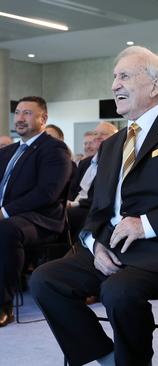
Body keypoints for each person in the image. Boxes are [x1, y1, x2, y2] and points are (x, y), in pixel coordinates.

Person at [29, 45, 158, 365]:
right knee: (44, 280)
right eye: (114, 77)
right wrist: (95, 243)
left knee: (118, 291)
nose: (114, 85)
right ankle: (107, 357)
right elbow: (98, 210)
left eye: (124, 76)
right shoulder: (112, 144)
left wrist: (146, 224)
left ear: (154, 86)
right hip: (111, 246)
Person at [0, 96, 72, 327]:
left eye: (28, 113)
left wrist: (4, 212)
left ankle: (3, 305)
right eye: (18, 113)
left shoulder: (55, 149)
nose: (20, 118)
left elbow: (46, 193)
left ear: (43, 118)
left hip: (42, 220)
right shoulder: (8, 151)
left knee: (5, 230)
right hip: (10, 217)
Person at [67, 121, 119, 238]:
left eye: (104, 134)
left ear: (116, 138)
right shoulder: (85, 163)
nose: (98, 137)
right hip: (75, 205)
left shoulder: (114, 164)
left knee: (66, 216)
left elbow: (102, 197)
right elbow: (73, 187)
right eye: (95, 133)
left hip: (91, 208)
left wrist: (73, 204)